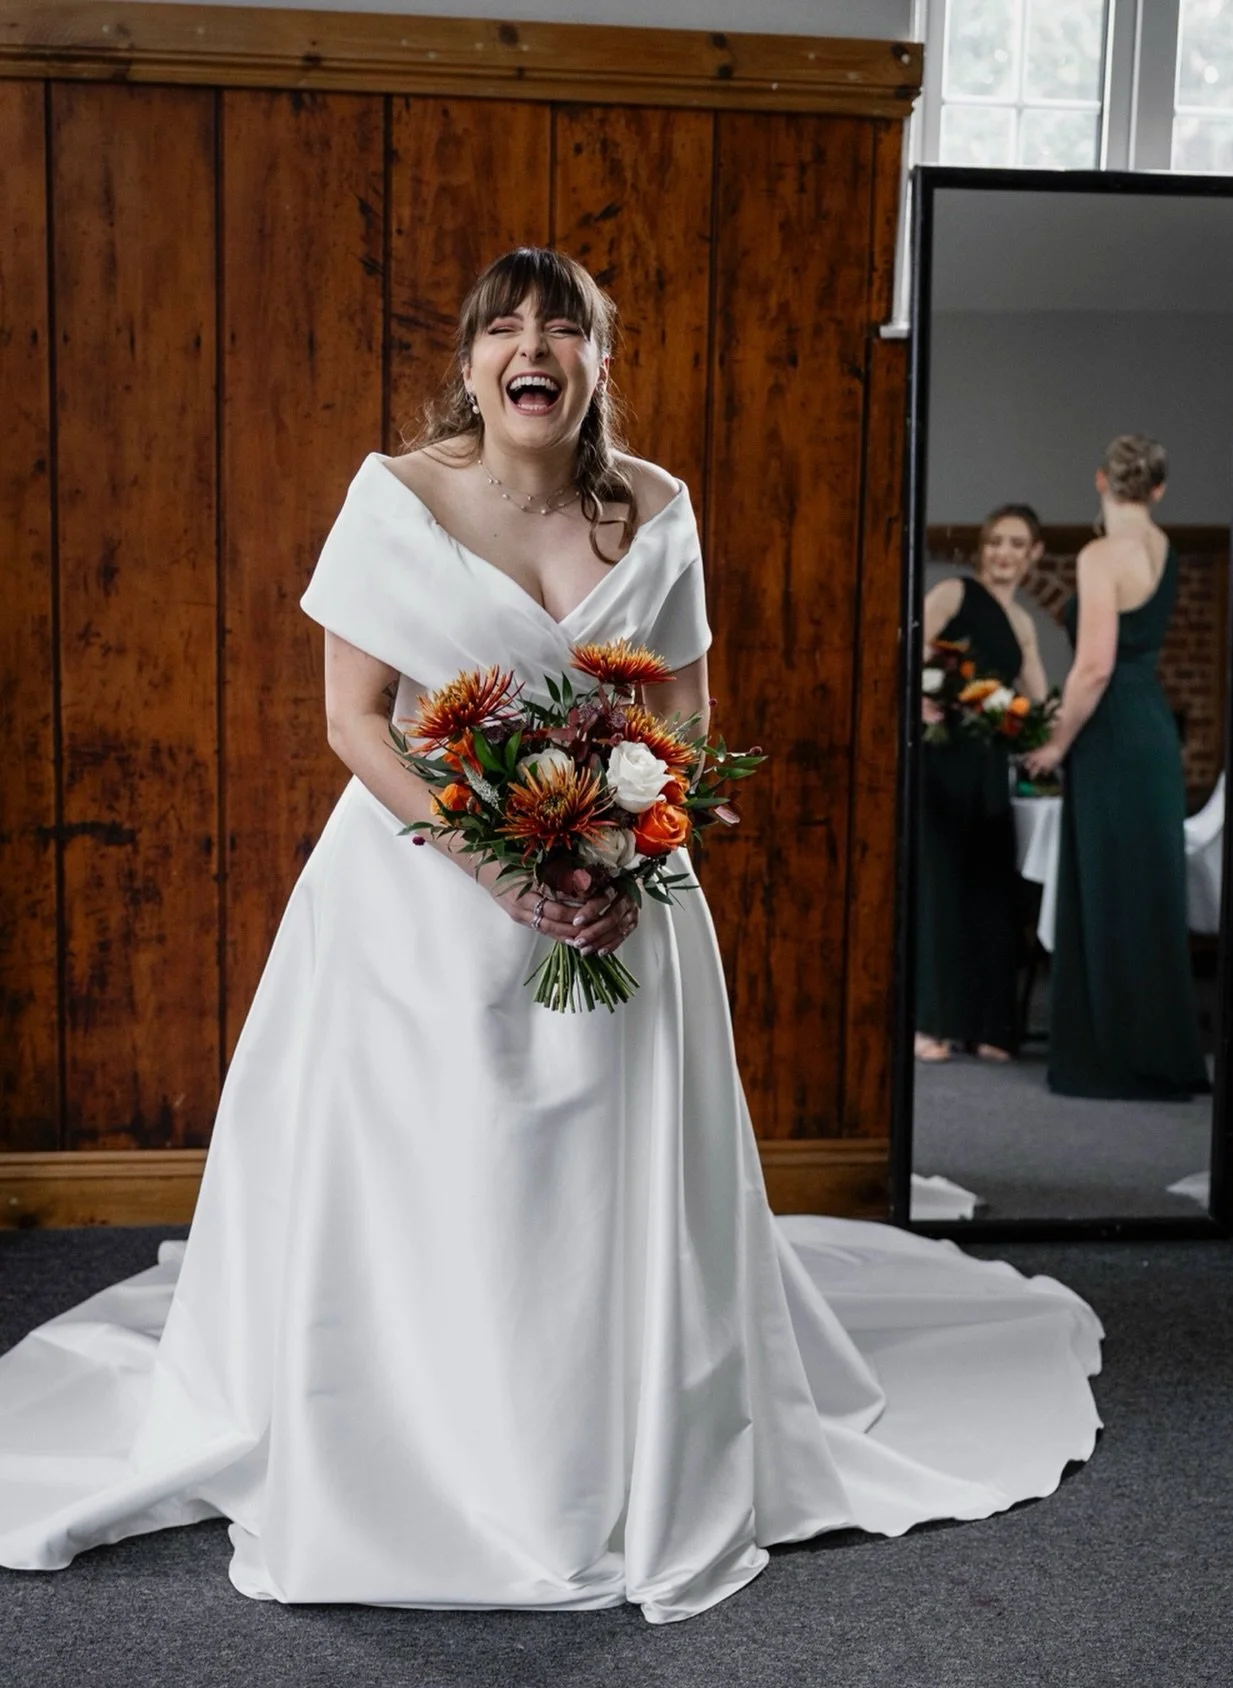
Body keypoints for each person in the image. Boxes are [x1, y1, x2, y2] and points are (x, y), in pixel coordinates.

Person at [0, 250, 1103, 1622]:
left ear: (596, 364)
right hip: (416, 898)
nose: (534, 347)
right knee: (433, 1165)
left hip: (622, 890)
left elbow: (687, 717)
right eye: (505, 328)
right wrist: (497, 864)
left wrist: (631, 841)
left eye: (563, 328)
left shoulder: (659, 509)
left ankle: (614, 1428)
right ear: (467, 366)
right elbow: (354, 722)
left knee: (603, 1180)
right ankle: (419, 1429)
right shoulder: (391, 496)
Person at [1024, 435, 1209, 1099]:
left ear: (1102, 479)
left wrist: (1055, 744)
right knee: (1148, 894)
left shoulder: (1103, 554)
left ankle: (1111, 1059)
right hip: (1151, 729)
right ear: (1158, 489)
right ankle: (1160, 1050)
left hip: (1109, 734)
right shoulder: (1167, 548)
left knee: (1106, 890)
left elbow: (1095, 665)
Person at [914, 505, 1048, 1064]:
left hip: (990, 765)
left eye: (1016, 544)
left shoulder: (1022, 624)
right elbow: (911, 653)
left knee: (992, 895)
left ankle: (991, 1026)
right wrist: (925, 700)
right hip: (943, 761)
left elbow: (1039, 701)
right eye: (996, 542)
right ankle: (931, 1027)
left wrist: (1042, 734)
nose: (1004, 553)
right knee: (941, 893)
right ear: (983, 548)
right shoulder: (953, 593)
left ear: (1033, 554)